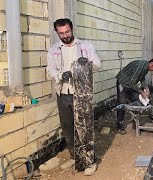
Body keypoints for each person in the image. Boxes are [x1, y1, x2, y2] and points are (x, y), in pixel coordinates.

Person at [46, 18, 101, 175]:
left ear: (72, 29)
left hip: (82, 93)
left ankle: (90, 161)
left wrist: (87, 63)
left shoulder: (86, 46)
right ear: (57, 33)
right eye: (61, 33)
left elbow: (98, 64)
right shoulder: (53, 50)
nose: (65, 35)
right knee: (68, 127)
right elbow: (51, 70)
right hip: (63, 93)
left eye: (67, 31)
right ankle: (74, 156)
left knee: (85, 128)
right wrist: (61, 74)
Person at [116, 58, 153, 134]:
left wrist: (146, 88)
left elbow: (142, 78)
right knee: (121, 103)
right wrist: (141, 92)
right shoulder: (139, 66)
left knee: (136, 99)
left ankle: (135, 120)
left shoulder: (146, 67)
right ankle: (119, 126)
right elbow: (131, 83)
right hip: (122, 82)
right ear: (151, 64)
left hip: (130, 84)